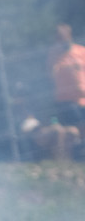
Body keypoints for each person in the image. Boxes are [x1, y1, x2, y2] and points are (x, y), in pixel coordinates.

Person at [41, 24, 85, 162]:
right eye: (59, 37)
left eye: (64, 36)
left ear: (69, 35)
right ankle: (68, 159)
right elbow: (50, 74)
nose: (62, 39)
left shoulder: (81, 51)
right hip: (66, 100)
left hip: (83, 99)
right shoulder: (54, 54)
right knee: (75, 128)